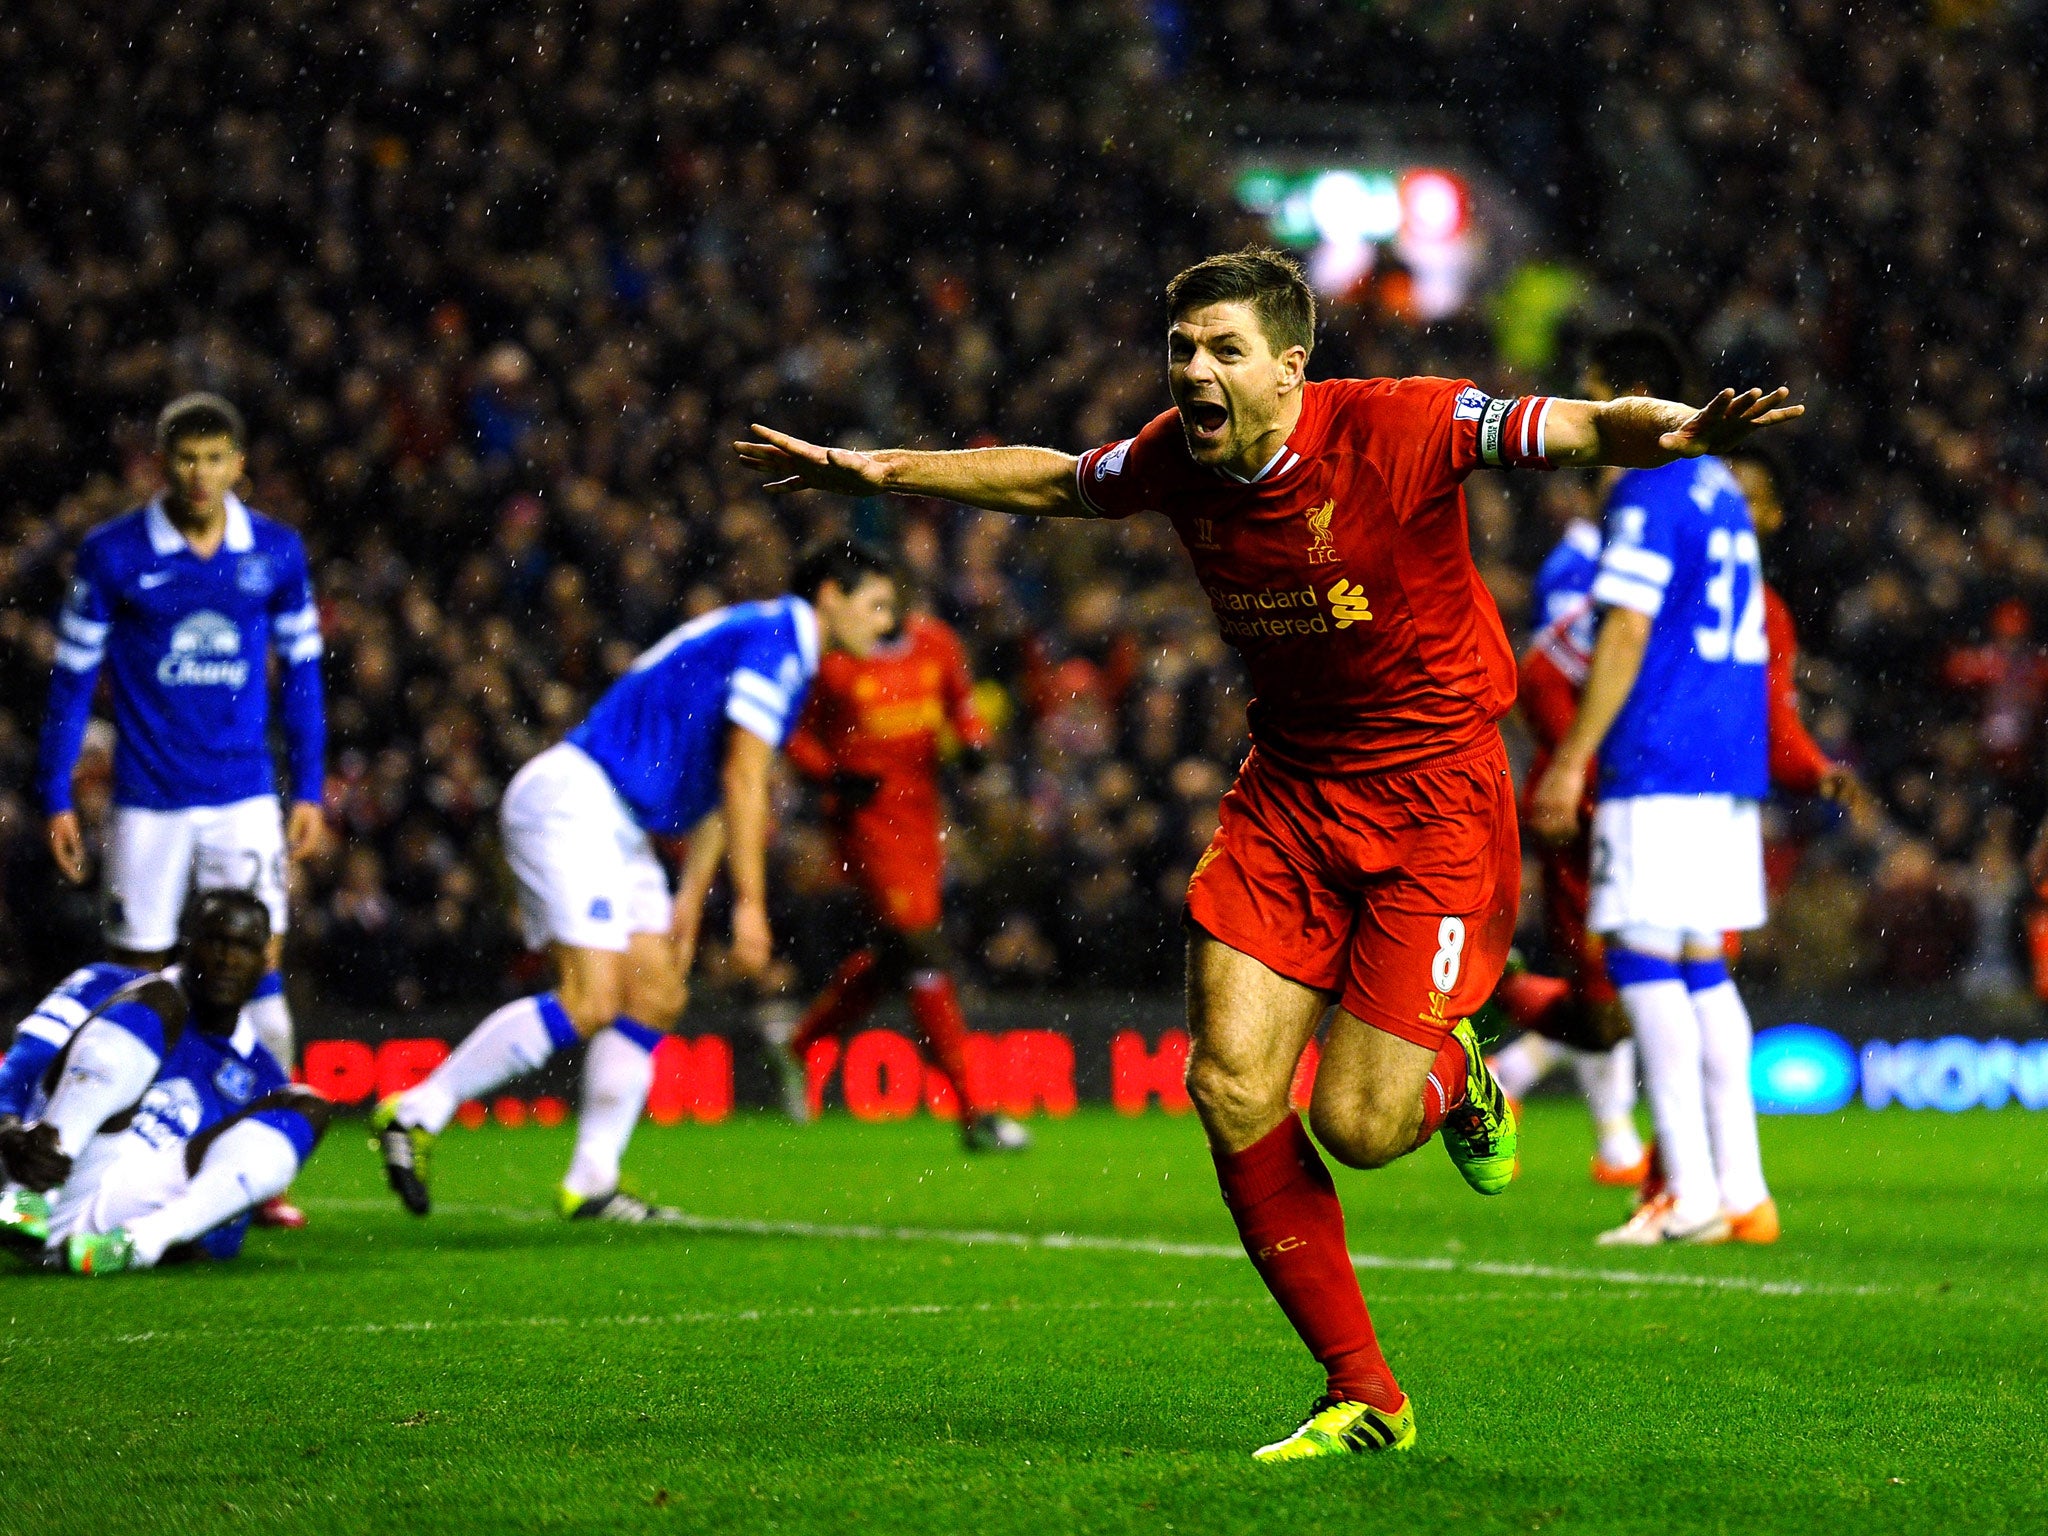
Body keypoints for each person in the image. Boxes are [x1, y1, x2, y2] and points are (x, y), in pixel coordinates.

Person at [740, 249, 1800, 1459]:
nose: (1194, 369)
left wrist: (1676, 430)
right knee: (1228, 1084)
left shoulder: (1402, 422)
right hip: (1288, 794)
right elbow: (1052, 481)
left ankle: (1457, 1070)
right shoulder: (1174, 459)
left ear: (1291, 368)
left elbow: (1576, 426)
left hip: (1434, 801)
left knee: (1356, 1123)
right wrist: (878, 467)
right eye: (1182, 347)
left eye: (1223, 349)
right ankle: (1365, 1395)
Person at [372, 541, 899, 1221]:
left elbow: (727, 779)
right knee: (589, 1000)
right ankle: (416, 1109)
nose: (885, 625)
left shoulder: (775, 643)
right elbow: (741, 778)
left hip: (618, 821)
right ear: (830, 593)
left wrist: (690, 895)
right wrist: (750, 905)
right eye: (878, 605)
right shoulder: (781, 640)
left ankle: (592, 1181)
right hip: (577, 799)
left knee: (656, 989)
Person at [35, 393, 327, 1229]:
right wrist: (56, 791)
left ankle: (258, 1161)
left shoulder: (274, 552)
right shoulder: (114, 555)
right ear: (162, 465)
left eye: (215, 458)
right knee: (136, 982)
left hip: (241, 797)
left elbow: (304, 675)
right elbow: (73, 679)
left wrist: (306, 786)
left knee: (261, 980)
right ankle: (106, 1152)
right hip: (149, 800)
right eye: (185, 459)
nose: (200, 475)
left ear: (240, 465)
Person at [1530, 327, 1786, 1247]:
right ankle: (1743, 1189)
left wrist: (1570, 757)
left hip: (1661, 756)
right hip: (1726, 757)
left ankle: (1690, 1188)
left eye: (1595, 392)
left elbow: (1628, 633)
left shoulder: (1647, 487)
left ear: (1631, 396)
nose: (1589, 417)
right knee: (1700, 967)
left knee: (1641, 958)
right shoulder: (1720, 486)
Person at [782, 597, 1030, 1152]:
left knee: (901, 956)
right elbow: (792, 731)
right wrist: (830, 774)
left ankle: (799, 1044)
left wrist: (972, 745)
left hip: (921, 821)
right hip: (863, 822)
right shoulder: (835, 659)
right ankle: (974, 1110)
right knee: (922, 947)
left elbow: (961, 707)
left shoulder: (935, 642)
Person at [0, 890, 330, 1275]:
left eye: (243, 946)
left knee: (307, 1105)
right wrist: (8, 1129)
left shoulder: (261, 1075)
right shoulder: (107, 983)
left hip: (121, 1218)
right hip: (43, 1160)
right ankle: (29, 1199)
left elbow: (227, 1211)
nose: (227, 959)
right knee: (162, 999)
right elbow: (22, 1071)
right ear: (185, 944)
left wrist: (187, 1235)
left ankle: (139, 1244)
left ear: (265, 963)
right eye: (215, 941)